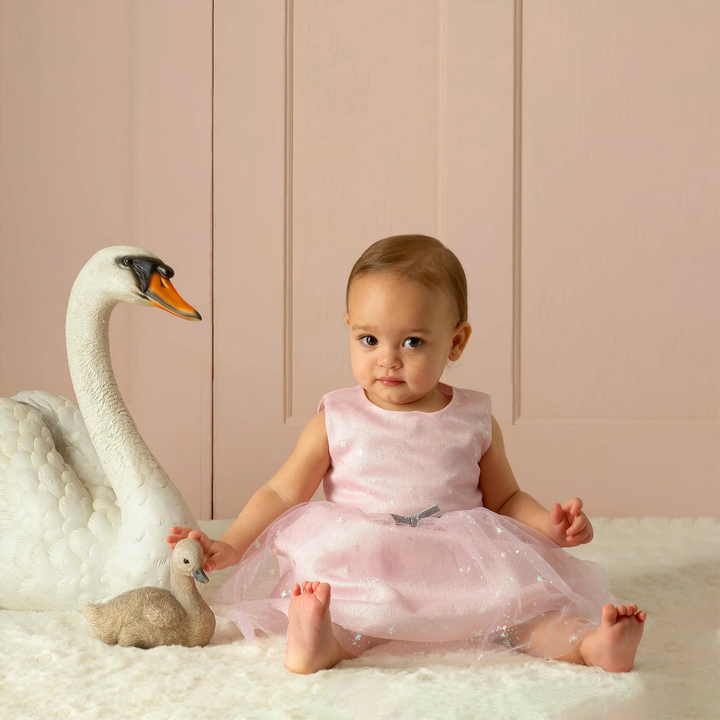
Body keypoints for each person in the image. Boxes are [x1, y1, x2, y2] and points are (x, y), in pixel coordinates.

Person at [167, 234, 646, 675]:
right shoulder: (336, 416)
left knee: (516, 612)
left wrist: (548, 525)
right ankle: (322, 641)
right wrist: (231, 543)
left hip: (459, 562)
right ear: (350, 329)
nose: (387, 358)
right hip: (366, 559)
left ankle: (589, 645)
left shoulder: (474, 419)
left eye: (412, 342)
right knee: (359, 616)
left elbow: (505, 499)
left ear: (456, 341)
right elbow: (282, 490)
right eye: (368, 339)